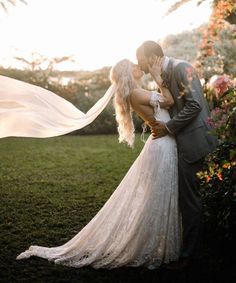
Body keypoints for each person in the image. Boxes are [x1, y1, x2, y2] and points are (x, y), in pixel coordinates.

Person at [15, 58, 182, 269]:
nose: (137, 66)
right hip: (162, 145)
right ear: (126, 74)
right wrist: (159, 76)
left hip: (162, 143)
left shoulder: (138, 92)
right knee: (158, 195)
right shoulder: (136, 94)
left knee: (158, 195)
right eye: (132, 65)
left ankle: (157, 243)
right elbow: (169, 101)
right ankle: (152, 244)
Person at [136, 40, 218, 269]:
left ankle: (188, 256)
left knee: (190, 201)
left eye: (141, 60)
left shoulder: (182, 68)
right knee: (187, 198)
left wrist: (168, 127)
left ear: (152, 57)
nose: (139, 65)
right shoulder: (163, 74)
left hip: (194, 142)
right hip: (182, 143)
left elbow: (194, 106)